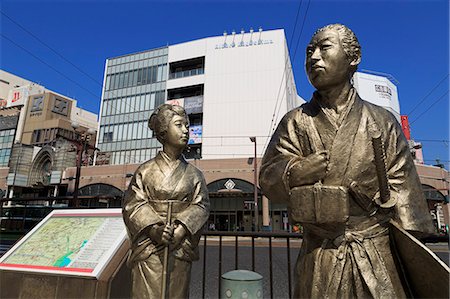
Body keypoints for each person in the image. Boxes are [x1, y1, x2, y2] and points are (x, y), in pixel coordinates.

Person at [259, 24, 435, 298]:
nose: (313, 57)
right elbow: (267, 177)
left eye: (324, 48)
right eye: (309, 51)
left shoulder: (382, 122)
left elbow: (405, 195)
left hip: (375, 253)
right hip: (320, 255)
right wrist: (294, 172)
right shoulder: (296, 121)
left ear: (353, 57)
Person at [123, 104, 210, 298]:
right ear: (163, 132)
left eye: (186, 126)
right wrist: (154, 229)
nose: (186, 130)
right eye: (179, 125)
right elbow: (133, 205)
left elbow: (202, 205)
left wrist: (181, 229)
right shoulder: (145, 171)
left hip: (179, 248)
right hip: (150, 249)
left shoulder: (195, 174)